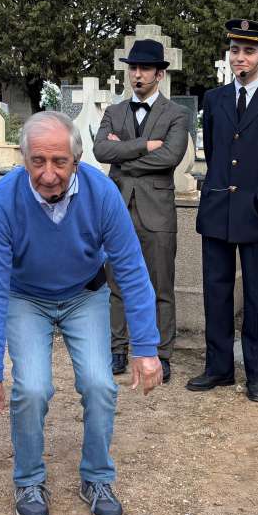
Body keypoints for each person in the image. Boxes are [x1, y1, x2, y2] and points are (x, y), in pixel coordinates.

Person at [0, 111, 162, 515]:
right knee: (33, 388)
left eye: (59, 161)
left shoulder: (102, 193)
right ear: (24, 160)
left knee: (98, 383)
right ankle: (28, 479)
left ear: (77, 159)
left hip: (84, 294)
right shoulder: (2, 202)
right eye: (38, 161)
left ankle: (96, 477)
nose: (49, 174)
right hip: (26, 297)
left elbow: (130, 268)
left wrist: (145, 347)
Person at [185, 19, 258, 403]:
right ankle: (218, 368)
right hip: (218, 207)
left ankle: (255, 373)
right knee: (215, 292)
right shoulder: (214, 99)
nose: (240, 58)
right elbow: (217, 152)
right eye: (235, 50)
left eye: (249, 51)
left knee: (255, 296)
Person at [92, 39, 189, 385]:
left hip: (157, 211)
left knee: (160, 284)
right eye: (132, 68)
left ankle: (162, 353)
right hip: (117, 208)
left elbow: (171, 157)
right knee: (115, 283)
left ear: (159, 74)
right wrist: (144, 146)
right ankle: (118, 348)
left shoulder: (177, 114)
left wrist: (125, 155)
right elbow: (101, 150)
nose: (137, 74)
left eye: (144, 69)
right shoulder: (114, 112)